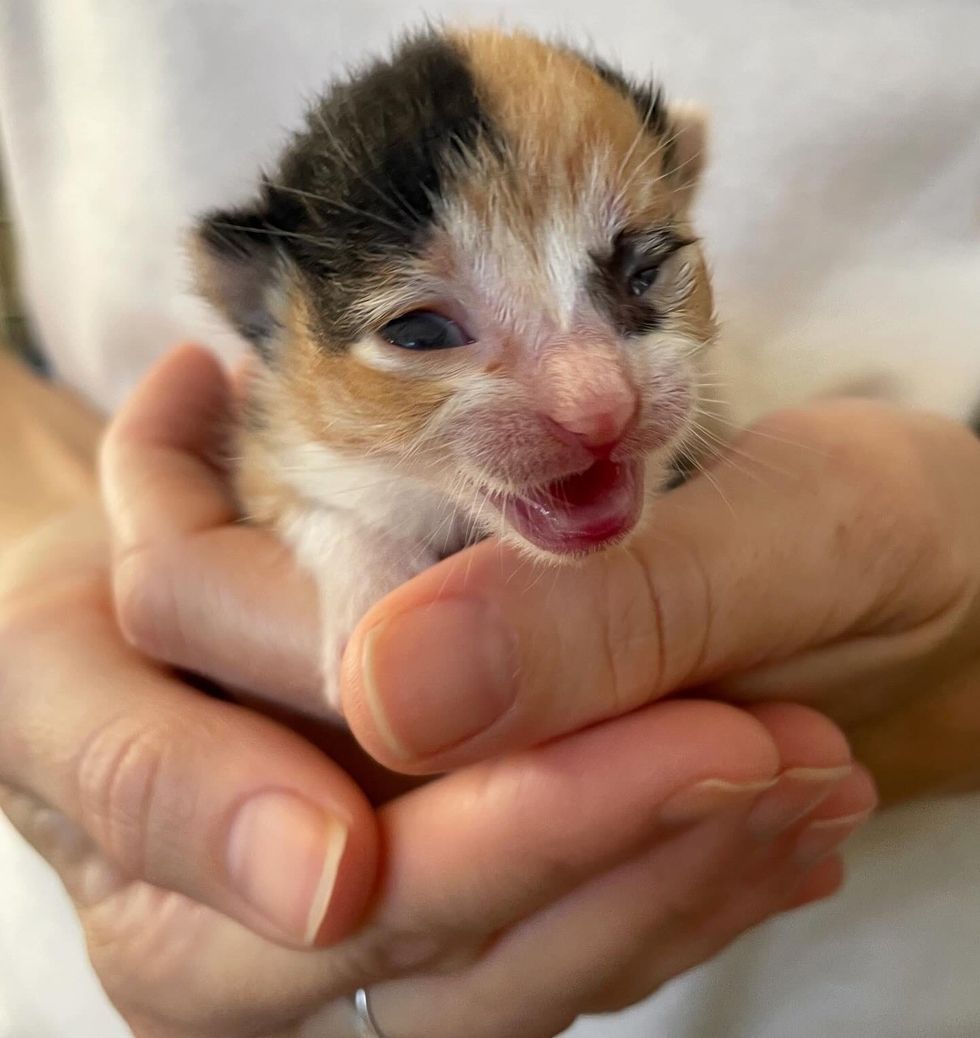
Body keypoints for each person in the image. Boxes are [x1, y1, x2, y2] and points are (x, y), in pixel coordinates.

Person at [1, 2, 979, 1036]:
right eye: (422, 327)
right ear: (268, 320)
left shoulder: (719, 441)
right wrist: (32, 536)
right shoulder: (302, 447)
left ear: (683, 180)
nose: (596, 399)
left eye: (638, 270)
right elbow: (270, 478)